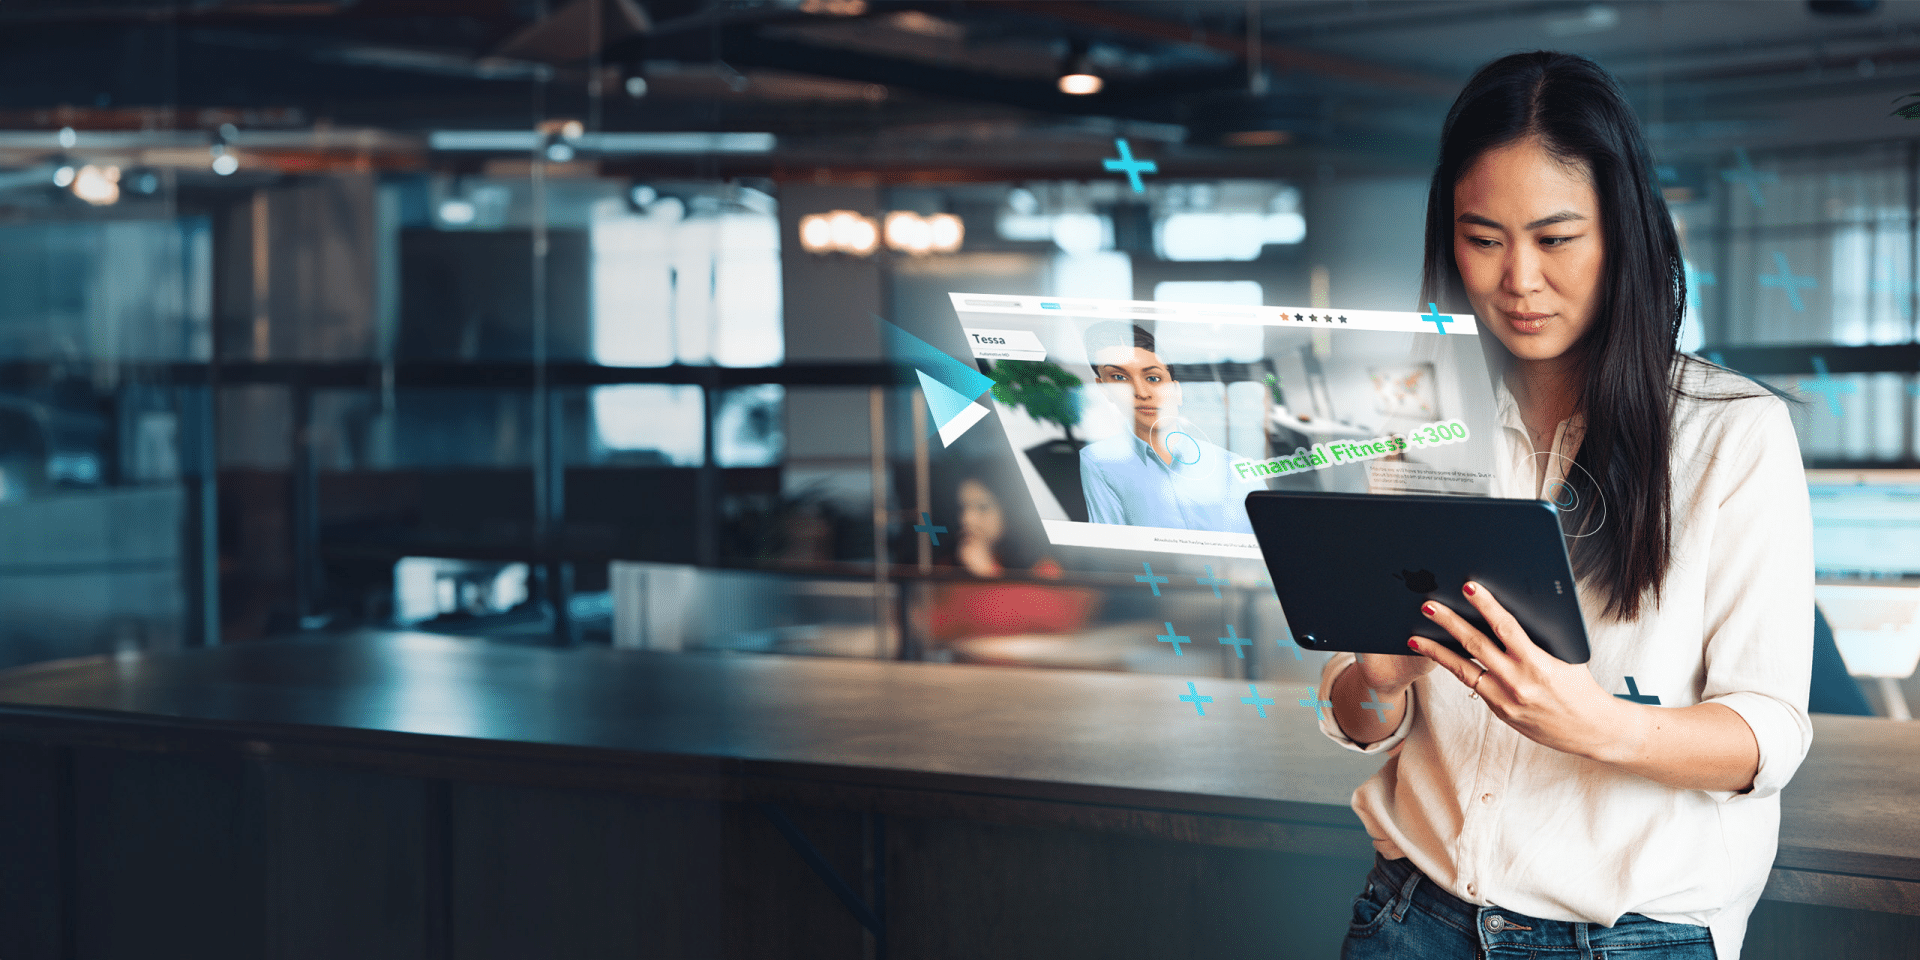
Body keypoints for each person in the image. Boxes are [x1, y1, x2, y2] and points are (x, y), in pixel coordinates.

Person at [1321, 51, 1811, 960]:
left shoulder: (1732, 433)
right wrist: (1375, 683)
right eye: (1483, 239)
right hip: (1410, 918)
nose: (1518, 280)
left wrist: (1596, 726)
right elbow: (1361, 722)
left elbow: (1768, 736)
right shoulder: (1411, 416)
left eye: (1555, 239)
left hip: (1628, 940)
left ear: (1623, 233)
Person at [1076, 323, 1254, 535]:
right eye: (1119, 378)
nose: (1142, 393)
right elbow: (1109, 541)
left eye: (1153, 378)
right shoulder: (1098, 461)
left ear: (1177, 391)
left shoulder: (1234, 466)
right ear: (1104, 389)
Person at [927, 469, 1094, 644]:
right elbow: (932, 625)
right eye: (962, 508)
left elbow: (1060, 618)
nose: (967, 519)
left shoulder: (1039, 564)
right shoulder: (949, 566)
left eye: (983, 508)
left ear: (1009, 510)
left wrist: (990, 573)